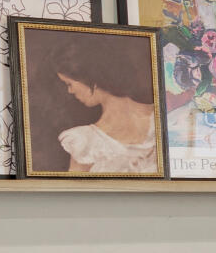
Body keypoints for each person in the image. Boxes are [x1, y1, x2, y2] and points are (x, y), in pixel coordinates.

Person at [45, 48, 164, 176]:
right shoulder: (85, 142)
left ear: (89, 79)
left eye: (69, 84)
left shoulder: (87, 143)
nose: (70, 91)